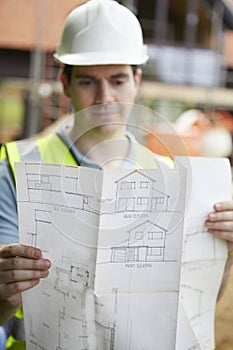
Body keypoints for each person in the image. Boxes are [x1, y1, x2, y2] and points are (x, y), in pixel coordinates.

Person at [0, 0, 233, 349]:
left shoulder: (170, 177)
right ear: (65, 83)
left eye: (118, 80)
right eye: (89, 82)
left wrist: (224, 254)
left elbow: (190, 307)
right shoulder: (16, 168)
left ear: (136, 81)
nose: (105, 98)